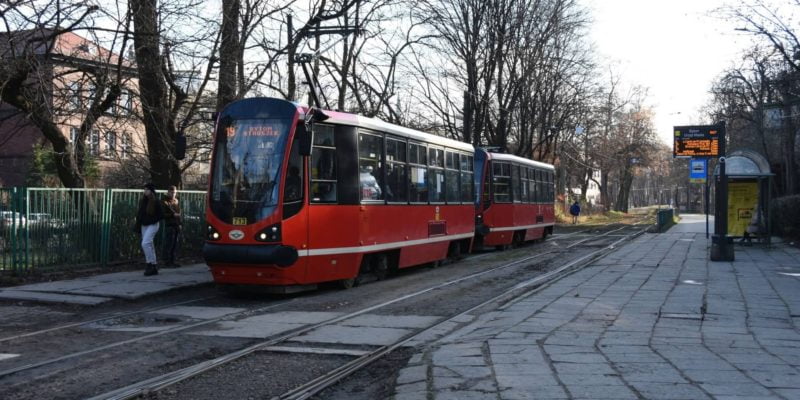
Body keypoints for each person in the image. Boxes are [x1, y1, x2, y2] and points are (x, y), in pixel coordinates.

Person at [136, 183, 164, 276]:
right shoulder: (143, 201)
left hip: (153, 224)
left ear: (151, 191)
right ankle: (153, 265)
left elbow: (161, 215)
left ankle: (149, 264)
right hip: (144, 225)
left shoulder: (156, 201)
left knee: (145, 243)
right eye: (144, 189)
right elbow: (140, 213)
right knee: (150, 245)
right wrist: (138, 223)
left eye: (147, 189)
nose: (145, 191)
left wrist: (152, 220)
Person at [161, 185, 182, 267]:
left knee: (174, 244)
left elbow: (179, 214)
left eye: (175, 192)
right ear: (168, 192)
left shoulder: (176, 201)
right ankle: (167, 261)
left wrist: (180, 223)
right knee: (169, 244)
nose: (173, 194)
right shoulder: (165, 201)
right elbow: (163, 214)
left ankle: (172, 261)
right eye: (172, 192)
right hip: (169, 224)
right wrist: (173, 215)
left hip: (176, 224)